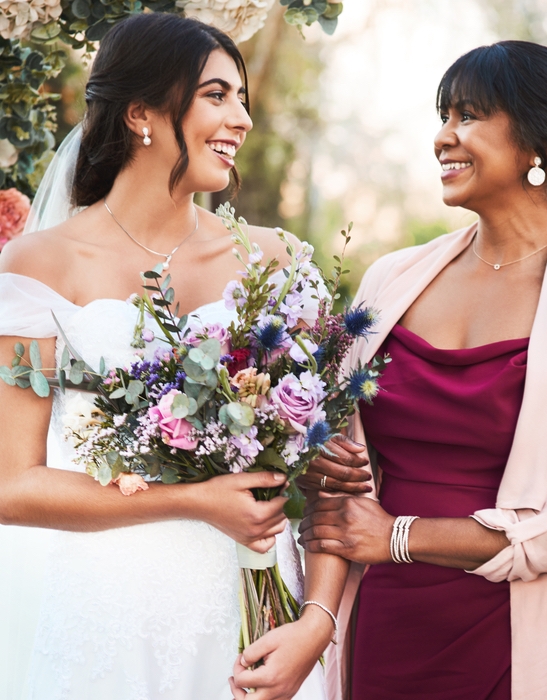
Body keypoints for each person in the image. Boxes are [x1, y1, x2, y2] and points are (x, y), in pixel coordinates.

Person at [0, 13, 344, 700]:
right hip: (108, 616)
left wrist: (317, 622)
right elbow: (12, 484)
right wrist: (196, 500)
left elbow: (341, 472)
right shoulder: (41, 266)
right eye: (217, 95)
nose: (242, 118)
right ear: (140, 113)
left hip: (260, 623)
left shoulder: (276, 264)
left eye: (242, 97)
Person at [297, 41, 547, 700]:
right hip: (383, 621)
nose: (443, 137)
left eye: (469, 115)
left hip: (515, 633)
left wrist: (396, 536)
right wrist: (312, 458)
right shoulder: (389, 280)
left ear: (540, 146)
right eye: (444, 116)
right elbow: (334, 460)